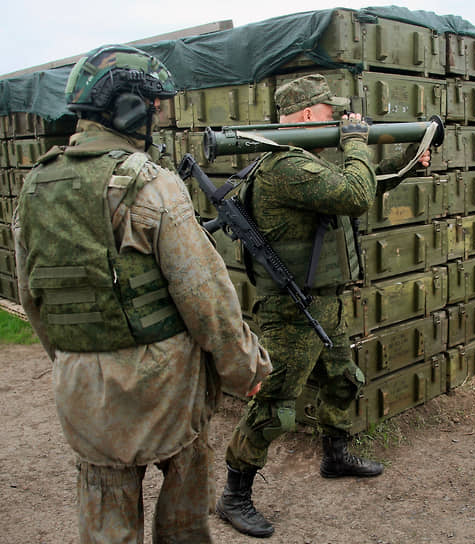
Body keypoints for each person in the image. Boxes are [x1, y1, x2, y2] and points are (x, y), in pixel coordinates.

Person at [13, 45, 272, 544]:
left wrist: (76, 358)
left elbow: (34, 300)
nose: (158, 116)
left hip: (83, 393)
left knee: (105, 522)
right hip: (164, 390)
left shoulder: (36, 187)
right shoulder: (152, 184)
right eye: (154, 105)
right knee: (184, 516)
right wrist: (247, 370)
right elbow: (208, 300)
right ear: (129, 108)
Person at [216, 73, 431, 538]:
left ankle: (335, 457)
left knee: (340, 379)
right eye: (332, 113)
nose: (338, 119)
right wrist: (357, 142)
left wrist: (406, 162)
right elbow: (353, 193)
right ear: (311, 115)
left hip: (323, 304)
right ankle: (234, 495)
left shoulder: (304, 165)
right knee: (274, 404)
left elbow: (356, 190)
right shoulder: (286, 167)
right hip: (291, 314)